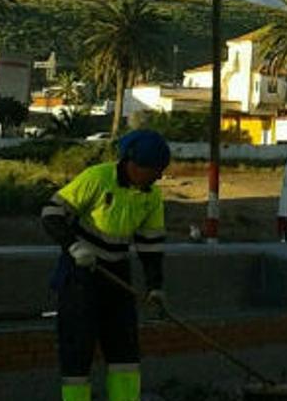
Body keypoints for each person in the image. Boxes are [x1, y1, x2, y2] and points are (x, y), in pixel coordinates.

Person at [41, 129, 170, 401]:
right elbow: (51, 214)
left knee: (125, 351)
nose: (159, 176)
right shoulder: (97, 178)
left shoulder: (151, 196)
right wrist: (74, 246)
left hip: (117, 274)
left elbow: (151, 246)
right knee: (78, 348)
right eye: (156, 170)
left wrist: (155, 287)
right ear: (134, 165)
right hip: (81, 273)